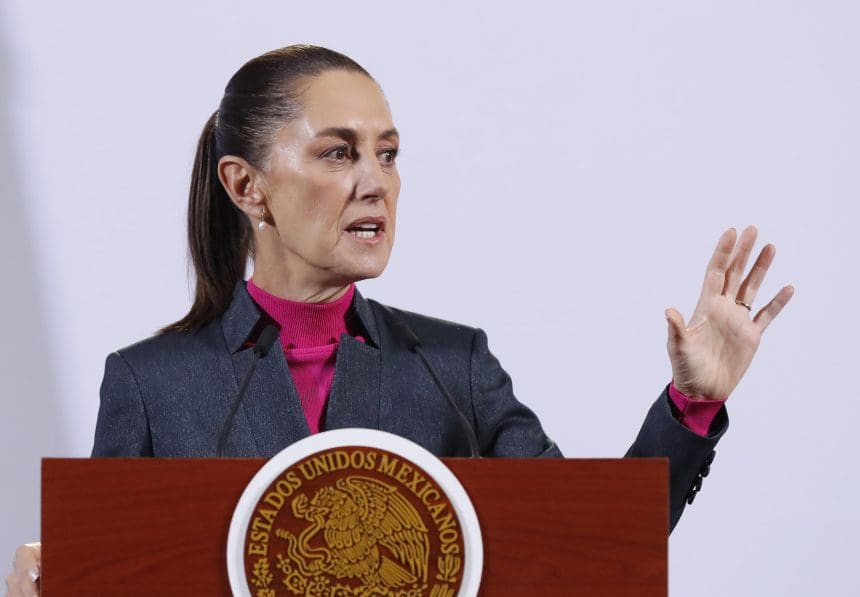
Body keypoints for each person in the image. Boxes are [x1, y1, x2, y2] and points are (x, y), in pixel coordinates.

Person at [4, 44, 793, 597]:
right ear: (246, 186)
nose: (376, 182)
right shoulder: (150, 383)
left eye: (388, 153)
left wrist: (693, 403)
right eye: (338, 153)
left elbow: (595, 545)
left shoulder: (454, 368)